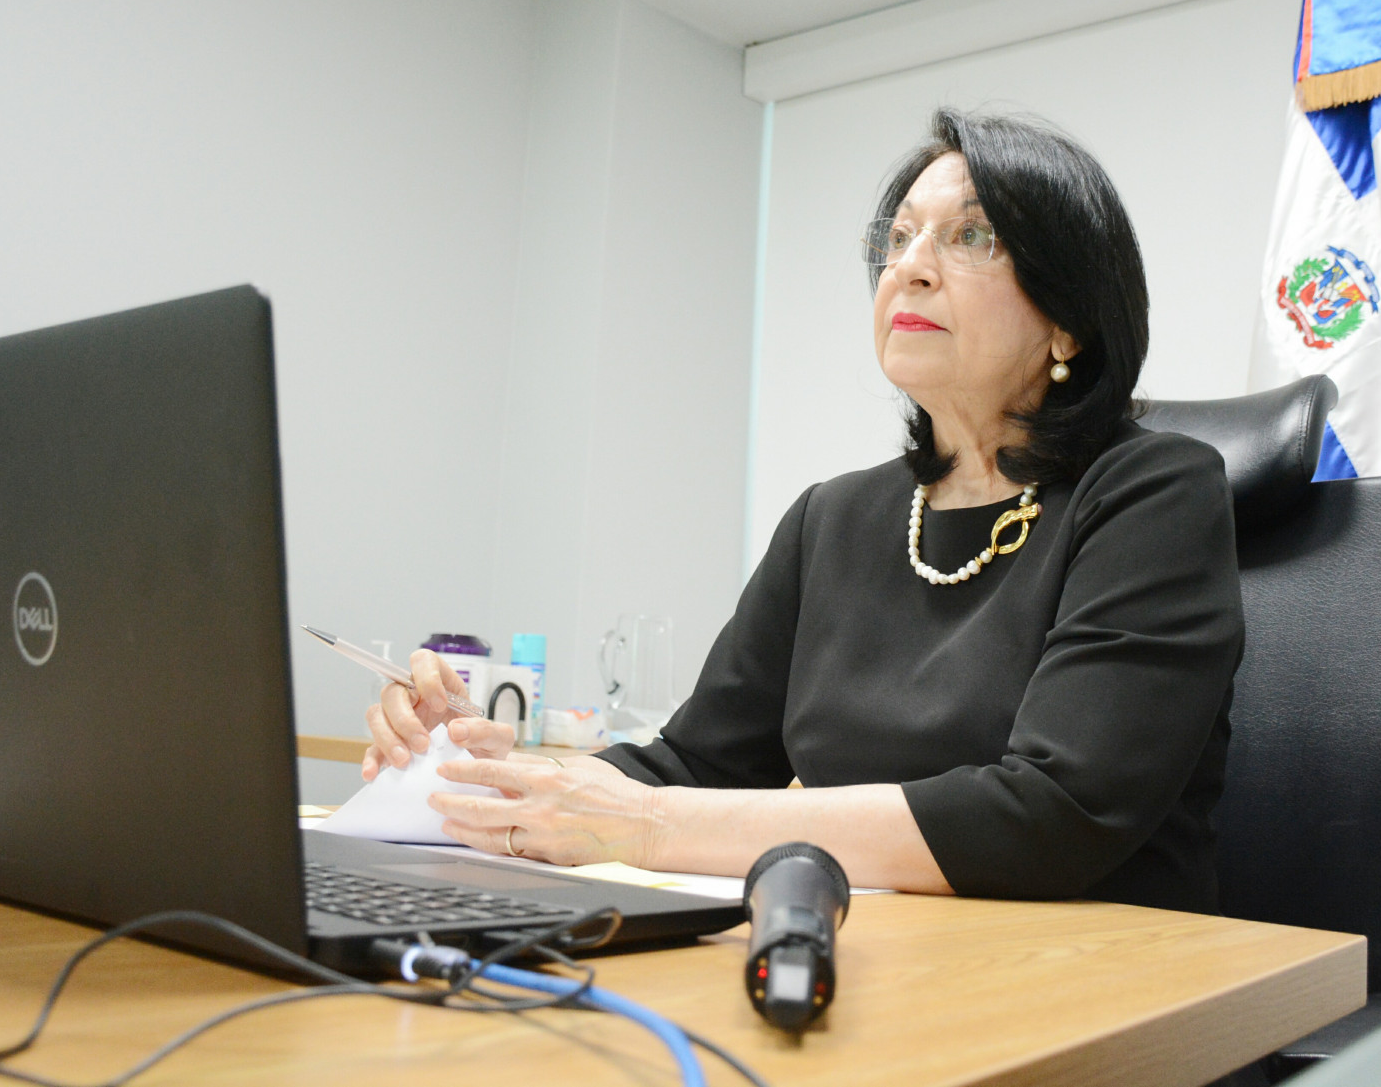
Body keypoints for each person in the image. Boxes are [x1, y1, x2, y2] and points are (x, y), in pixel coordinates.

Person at [363, 109, 1244, 909]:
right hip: (872, 955)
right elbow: (692, 765)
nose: (910, 268)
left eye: (970, 235)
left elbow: (1053, 814)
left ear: (1069, 320)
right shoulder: (834, 518)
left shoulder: (1153, 492)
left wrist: (650, 826)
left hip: (1100, 973)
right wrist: (475, 775)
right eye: (898, 238)